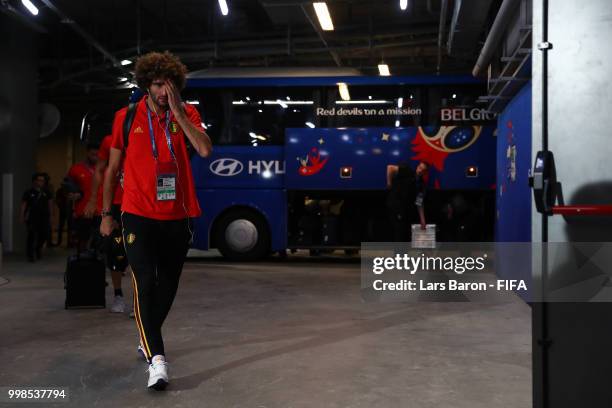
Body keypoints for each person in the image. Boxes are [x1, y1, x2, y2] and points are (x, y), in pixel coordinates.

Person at [100, 51, 212, 390]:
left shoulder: (185, 115)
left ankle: (147, 334)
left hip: (178, 214)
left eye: (171, 85)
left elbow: (205, 150)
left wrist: (179, 111)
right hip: (137, 213)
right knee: (145, 282)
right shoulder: (127, 116)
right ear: (147, 84)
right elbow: (112, 169)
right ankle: (157, 361)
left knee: (169, 285)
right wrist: (107, 213)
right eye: (160, 85)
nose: (165, 92)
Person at [84, 134, 128, 314]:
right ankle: (118, 296)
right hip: (115, 204)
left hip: (139, 203)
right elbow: (99, 170)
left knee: (140, 253)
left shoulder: (151, 134)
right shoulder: (110, 140)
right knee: (114, 250)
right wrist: (93, 199)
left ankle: (141, 301)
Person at [66, 143, 100, 252]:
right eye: (92, 153)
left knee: (100, 241)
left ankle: (98, 264)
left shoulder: (106, 169)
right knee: (82, 240)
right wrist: (72, 193)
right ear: (87, 153)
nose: (94, 155)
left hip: (101, 211)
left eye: (97, 154)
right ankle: (82, 263)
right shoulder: (76, 169)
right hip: (82, 211)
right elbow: (67, 186)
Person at [21, 173, 53, 262]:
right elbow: (24, 204)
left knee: (44, 235)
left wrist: (51, 216)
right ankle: (30, 255)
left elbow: (50, 204)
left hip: (44, 217)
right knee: (31, 235)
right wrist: (22, 216)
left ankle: (38, 248)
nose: (41, 182)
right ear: (34, 181)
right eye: (39, 180)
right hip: (32, 217)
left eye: (42, 180)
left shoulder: (47, 192)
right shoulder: (28, 192)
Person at [386, 162, 416, 241]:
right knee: (399, 230)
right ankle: (399, 252)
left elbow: (419, 200)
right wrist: (389, 183)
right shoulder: (408, 171)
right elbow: (390, 167)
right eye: (420, 168)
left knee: (402, 231)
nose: (420, 170)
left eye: (423, 170)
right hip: (397, 205)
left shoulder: (420, 181)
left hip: (404, 207)